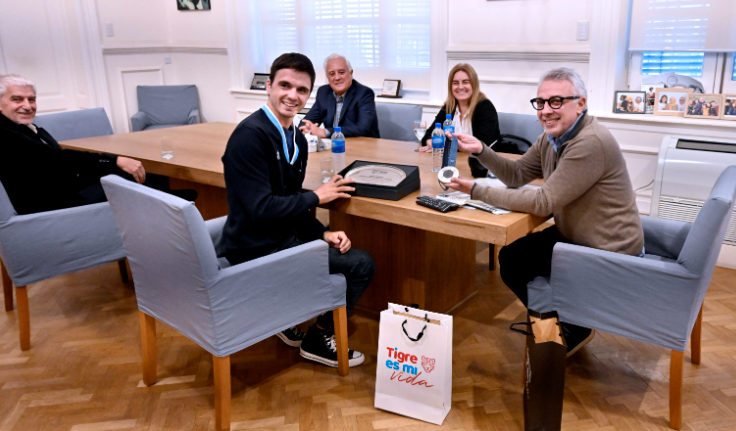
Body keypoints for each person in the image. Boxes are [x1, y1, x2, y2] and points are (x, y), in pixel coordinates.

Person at [445, 67, 644, 357]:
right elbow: (516, 175)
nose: (546, 111)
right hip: (579, 236)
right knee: (515, 257)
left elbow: (542, 203)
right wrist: (481, 150)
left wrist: (474, 190)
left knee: (515, 260)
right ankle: (565, 323)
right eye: (541, 102)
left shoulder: (589, 143)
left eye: (556, 101)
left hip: (607, 250)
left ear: (581, 104)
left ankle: (569, 330)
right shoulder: (551, 138)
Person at [219, 53, 375, 368]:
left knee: (344, 251)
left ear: (308, 95)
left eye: (301, 90)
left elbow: (290, 204)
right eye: (285, 85)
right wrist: (317, 197)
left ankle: (286, 316)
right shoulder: (249, 137)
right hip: (256, 249)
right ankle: (318, 338)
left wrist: (323, 233)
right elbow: (262, 209)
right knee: (361, 265)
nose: (293, 95)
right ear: (269, 86)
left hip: (282, 239)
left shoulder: (298, 141)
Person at [0, 74, 147, 215]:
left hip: (64, 189)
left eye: (31, 100)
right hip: (53, 206)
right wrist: (114, 160)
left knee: (132, 175)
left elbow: (56, 161)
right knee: (129, 177)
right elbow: (56, 157)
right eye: (17, 100)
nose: (27, 106)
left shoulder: (24, 127)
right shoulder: (4, 132)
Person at [419, 63, 501, 176]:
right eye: (455, 83)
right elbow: (429, 134)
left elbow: (481, 144)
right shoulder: (449, 107)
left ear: (474, 84)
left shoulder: (485, 107)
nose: (460, 87)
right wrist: (432, 143)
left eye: (465, 82)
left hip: (480, 168)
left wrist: (444, 145)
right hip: (455, 165)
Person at [299, 54, 379, 139]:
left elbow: (362, 129)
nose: (337, 77)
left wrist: (325, 132)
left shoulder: (364, 93)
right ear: (327, 77)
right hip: (333, 146)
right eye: (332, 74)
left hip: (364, 146)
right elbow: (307, 121)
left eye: (341, 72)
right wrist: (307, 128)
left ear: (350, 73)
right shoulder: (323, 92)